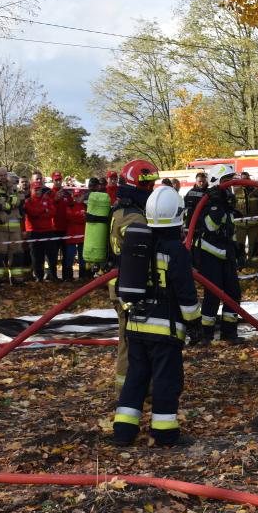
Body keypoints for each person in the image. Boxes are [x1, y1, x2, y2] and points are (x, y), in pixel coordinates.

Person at [111, 186, 201, 448]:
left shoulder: (140, 243)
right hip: (165, 331)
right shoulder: (176, 250)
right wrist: (196, 323)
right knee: (166, 381)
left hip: (136, 326)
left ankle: (123, 431)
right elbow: (186, 292)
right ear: (178, 216)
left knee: (136, 377)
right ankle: (165, 433)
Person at [109, 159, 160, 394]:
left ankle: (137, 387)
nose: (151, 189)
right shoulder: (134, 218)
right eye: (147, 185)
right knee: (131, 341)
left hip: (123, 283)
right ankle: (127, 391)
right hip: (129, 286)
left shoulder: (124, 209)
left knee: (133, 339)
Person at [194, 174, 243, 344]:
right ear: (217, 183)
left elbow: (230, 227)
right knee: (213, 295)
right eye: (226, 181)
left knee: (233, 293)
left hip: (226, 254)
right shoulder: (208, 201)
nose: (230, 184)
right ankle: (206, 335)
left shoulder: (226, 200)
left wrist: (238, 250)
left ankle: (229, 333)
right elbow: (210, 226)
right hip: (210, 255)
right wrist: (216, 204)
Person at [25, 171, 59, 282]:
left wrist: (42, 212)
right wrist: (44, 210)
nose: (38, 191)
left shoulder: (47, 199)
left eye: (39, 189)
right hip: (34, 232)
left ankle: (53, 275)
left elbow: (53, 212)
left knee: (52, 256)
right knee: (37, 257)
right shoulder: (28, 201)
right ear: (31, 190)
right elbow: (32, 213)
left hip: (48, 231)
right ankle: (39, 277)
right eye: (35, 189)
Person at [231, 171, 258, 269]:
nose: (245, 181)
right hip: (240, 224)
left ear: (249, 179)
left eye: (246, 179)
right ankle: (241, 264)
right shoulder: (235, 191)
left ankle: (253, 265)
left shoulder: (257, 190)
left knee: (254, 244)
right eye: (242, 179)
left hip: (254, 224)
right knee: (239, 245)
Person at [83, 177, 111, 275]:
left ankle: (91, 269)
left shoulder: (90, 196)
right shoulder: (97, 196)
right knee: (98, 249)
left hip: (92, 229)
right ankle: (96, 270)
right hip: (97, 229)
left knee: (93, 250)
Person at [61, 188, 86, 281]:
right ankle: (68, 277)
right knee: (69, 258)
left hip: (83, 236)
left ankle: (82, 276)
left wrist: (77, 216)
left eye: (79, 196)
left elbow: (86, 219)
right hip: (71, 236)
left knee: (83, 258)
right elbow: (69, 217)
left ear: (82, 196)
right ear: (73, 196)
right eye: (76, 196)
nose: (77, 198)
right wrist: (81, 216)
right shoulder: (69, 206)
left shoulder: (86, 206)